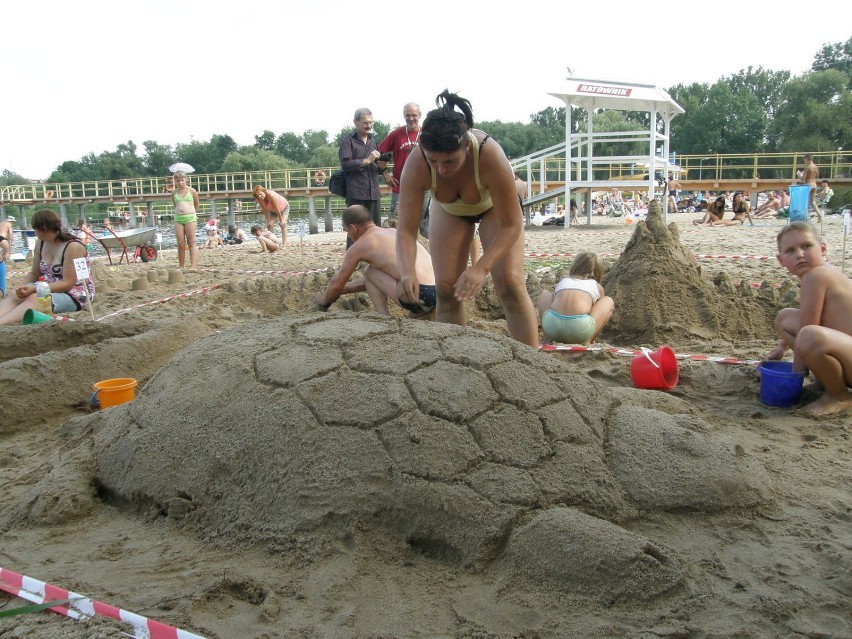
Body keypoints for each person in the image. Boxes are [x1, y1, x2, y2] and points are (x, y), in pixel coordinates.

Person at [395, 90, 538, 347]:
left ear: (465, 147)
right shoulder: (416, 164)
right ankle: (456, 363)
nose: (441, 169)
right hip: (449, 209)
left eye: (450, 160)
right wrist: (407, 272)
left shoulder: (489, 154)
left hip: (495, 208)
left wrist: (480, 268)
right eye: (434, 161)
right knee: (446, 290)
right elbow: (406, 230)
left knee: (510, 285)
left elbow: (512, 225)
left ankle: (533, 362)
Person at [768, 221, 852, 417]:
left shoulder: (816, 276)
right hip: (846, 351)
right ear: (781, 260)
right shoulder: (819, 274)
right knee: (785, 318)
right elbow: (809, 317)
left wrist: (794, 378)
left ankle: (838, 395)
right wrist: (782, 347)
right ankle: (826, 379)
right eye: (790, 251)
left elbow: (808, 328)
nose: (799, 254)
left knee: (809, 335)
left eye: (806, 246)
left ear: (822, 249)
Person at [314, 205, 436, 319]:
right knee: (375, 273)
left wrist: (323, 300)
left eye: (347, 231)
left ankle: (384, 317)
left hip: (420, 294)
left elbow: (336, 285)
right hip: (438, 292)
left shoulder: (361, 245)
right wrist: (345, 289)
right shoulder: (393, 232)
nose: (349, 236)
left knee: (370, 271)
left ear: (353, 228)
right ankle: (423, 312)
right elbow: (376, 281)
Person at [0, 209, 94, 325]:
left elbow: (68, 283)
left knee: (35, 298)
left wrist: (35, 288)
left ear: (43, 228)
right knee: (14, 294)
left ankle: (2, 323)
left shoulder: (73, 247)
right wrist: (21, 287)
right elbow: (34, 273)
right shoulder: (41, 243)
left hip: (74, 292)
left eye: (35, 229)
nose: (34, 232)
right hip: (45, 285)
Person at [537, 252, 614, 345]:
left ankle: (547, 339)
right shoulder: (596, 286)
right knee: (607, 301)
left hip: (553, 327)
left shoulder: (563, 281)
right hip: (579, 330)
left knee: (545, 294)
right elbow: (599, 310)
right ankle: (588, 341)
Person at [339, 108, 385, 241]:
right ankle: (354, 258)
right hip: (356, 193)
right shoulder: (347, 141)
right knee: (355, 231)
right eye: (365, 122)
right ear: (355, 122)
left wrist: (381, 168)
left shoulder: (373, 141)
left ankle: (374, 259)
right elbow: (346, 165)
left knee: (375, 229)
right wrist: (367, 160)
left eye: (371, 122)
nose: (369, 126)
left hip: (373, 193)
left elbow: (375, 166)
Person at [378, 102, 422, 221]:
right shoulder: (397, 134)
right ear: (404, 116)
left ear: (420, 115)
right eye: (407, 115)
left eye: (414, 115)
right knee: (395, 222)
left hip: (423, 188)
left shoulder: (426, 135)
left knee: (423, 224)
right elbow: (378, 154)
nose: (411, 118)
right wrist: (385, 174)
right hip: (400, 187)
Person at [172, 170, 199, 268]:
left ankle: (193, 265)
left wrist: (191, 212)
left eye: (182, 180)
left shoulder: (192, 191)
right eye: (178, 181)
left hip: (190, 217)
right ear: (175, 181)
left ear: (186, 180)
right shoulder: (174, 193)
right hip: (178, 218)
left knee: (191, 241)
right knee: (180, 243)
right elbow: (175, 204)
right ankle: (181, 265)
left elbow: (196, 204)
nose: (180, 182)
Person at [799, 154, 821, 221]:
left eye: (804, 160)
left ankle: (805, 216)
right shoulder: (815, 166)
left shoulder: (807, 167)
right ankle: (819, 215)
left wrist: (799, 175)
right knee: (812, 202)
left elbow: (803, 179)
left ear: (807, 159)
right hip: (814, 185)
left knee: (804, 201)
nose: (804, 161)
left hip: (808, 185)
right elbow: (817, 175)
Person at [0, 216, 14, 299]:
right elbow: (10, 233)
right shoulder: (9, 224)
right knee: (7, 252)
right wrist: (12, 241)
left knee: (1, 253)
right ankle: (5, 265)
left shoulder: (1, 223)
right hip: (2, 238)